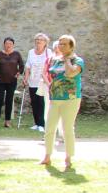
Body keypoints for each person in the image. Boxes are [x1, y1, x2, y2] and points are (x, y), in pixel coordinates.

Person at [41, 35, 84, 171]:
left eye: (65, 44)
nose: (61, 46)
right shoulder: (55, 60)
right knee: (49, 127)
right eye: (60, 44)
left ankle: (68, 157)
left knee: (67, 128)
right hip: (56, 98)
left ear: (71, 46)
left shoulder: (78, 60)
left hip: (71, 99)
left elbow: (70, 73)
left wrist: (67, 60)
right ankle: (47, 156)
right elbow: (50, 75)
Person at [23, 33, 53, 132]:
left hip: (43, 81)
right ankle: (36, 123)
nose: (38, 41)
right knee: (34, 102)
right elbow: (28, 66)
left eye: (41, 40)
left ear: (45, 42)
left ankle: (42, 124)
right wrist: (26, 78)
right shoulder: (31, 52)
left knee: (41, 102)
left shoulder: (48, 52)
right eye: (37, 39)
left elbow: (50, 66)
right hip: (33, 80)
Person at [0, 37, 24, 128]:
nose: (8, 45)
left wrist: (19, 72)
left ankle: (7, 121)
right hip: (0, 81)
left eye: (10, 44)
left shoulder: (16, 54)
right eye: (6, 43)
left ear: (13, 45)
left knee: (9, 100)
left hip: (12, 81)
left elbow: (21, 66)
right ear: (4, 44)